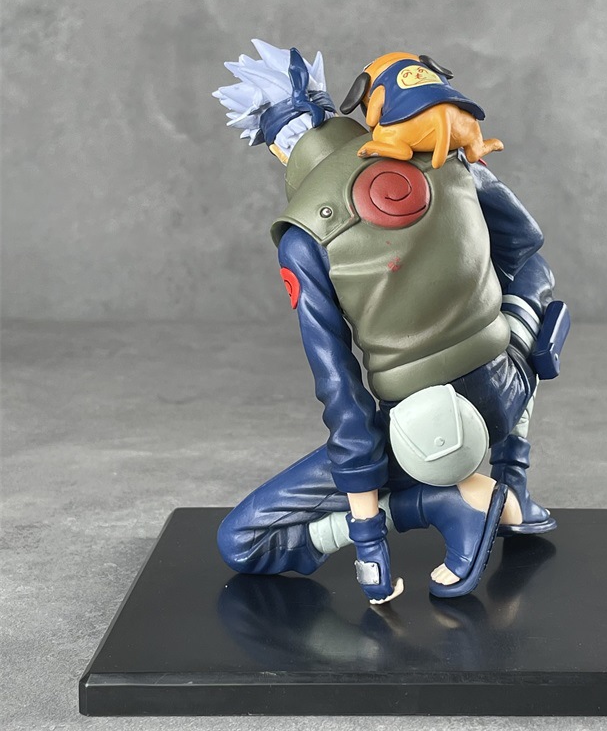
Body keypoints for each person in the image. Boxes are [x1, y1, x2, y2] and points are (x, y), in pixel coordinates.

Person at [212, 42, 568, 604]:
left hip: (422, 433)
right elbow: (527, 250)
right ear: (331, 108)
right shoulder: (443, 154)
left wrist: (368, 534)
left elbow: (341, 392)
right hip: (509, 383)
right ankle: (512, 492)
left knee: (242, 542)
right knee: (529, 291)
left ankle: (450, 503)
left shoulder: (304, 236)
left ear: (277, 148)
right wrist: (513, 330)